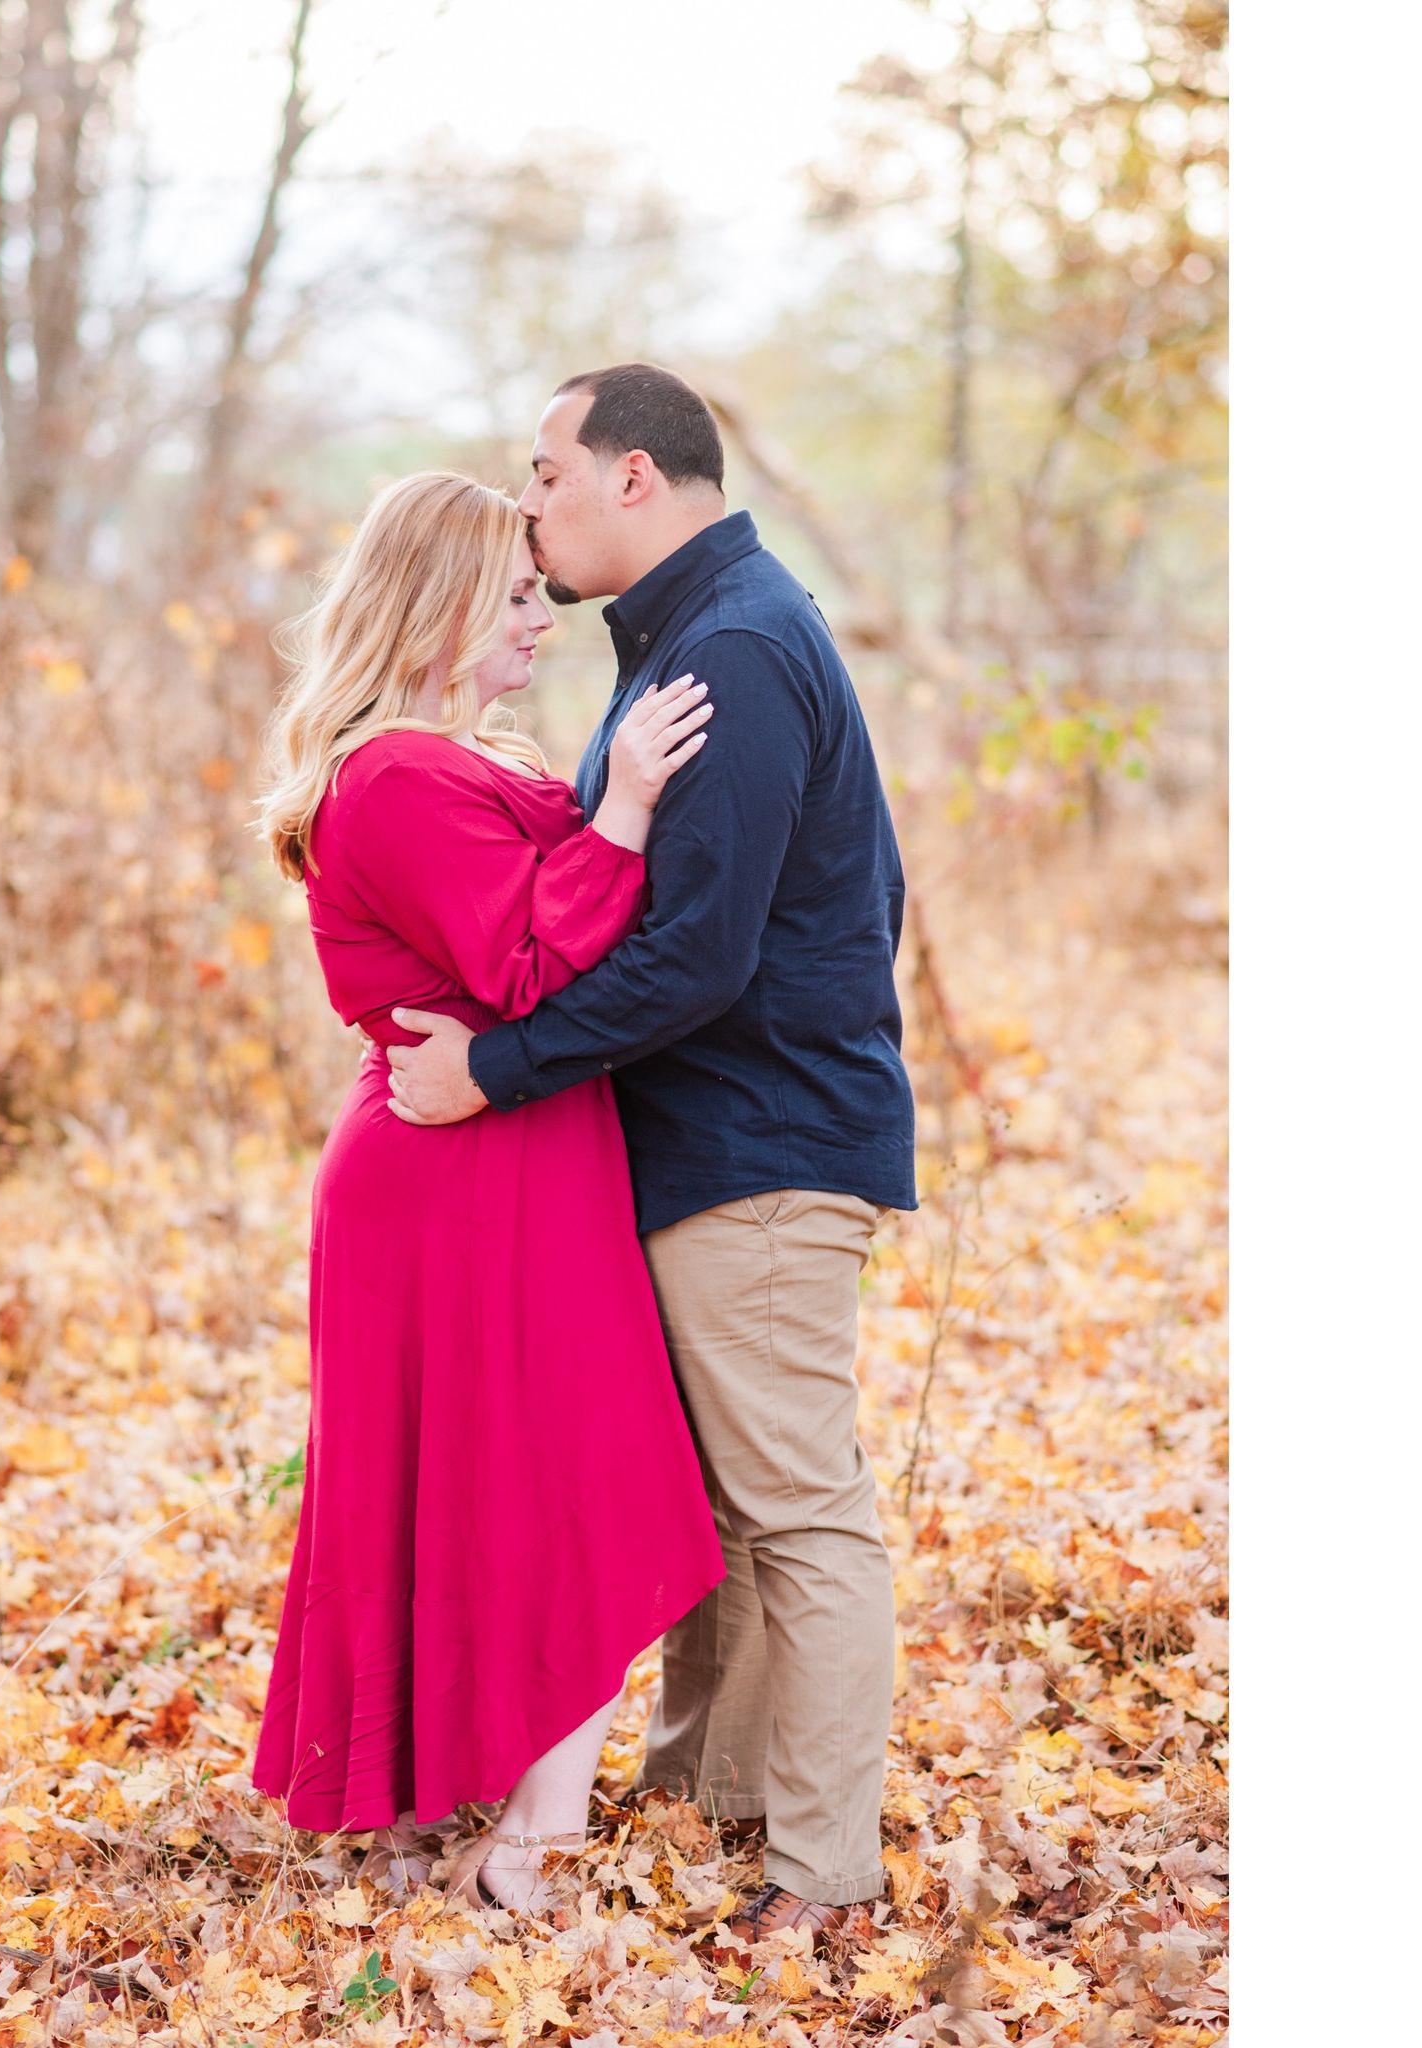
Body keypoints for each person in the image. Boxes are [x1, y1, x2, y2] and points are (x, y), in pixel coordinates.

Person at [385, 365, 919, 1945]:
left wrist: (493, 1072)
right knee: (725, 1514)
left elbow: (696, 955)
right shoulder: (698, 637)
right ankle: (709, 1799)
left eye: (546, 471)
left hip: (761, 1148)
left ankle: (822, 1874)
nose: (528, 500)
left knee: (798, 1511)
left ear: (633, 476)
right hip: (713, 1138)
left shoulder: (733, 648)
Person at [248, 470, 725, 1914]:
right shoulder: (391, 774)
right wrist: (625, 806)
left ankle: (489, 1805)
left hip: (515, 1144)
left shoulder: (465, 755)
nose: (540, 618)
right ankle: (527, 1832)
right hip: (452, 1167)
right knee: (552, 1473)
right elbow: (526, 966)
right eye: (516, 595)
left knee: (536, 1476)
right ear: (442, 602)